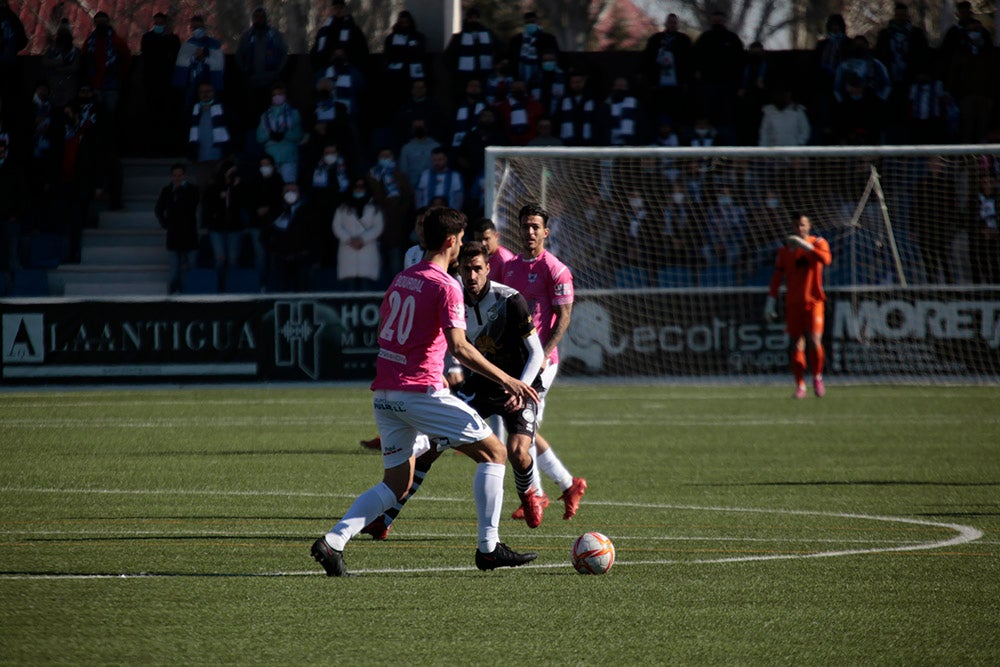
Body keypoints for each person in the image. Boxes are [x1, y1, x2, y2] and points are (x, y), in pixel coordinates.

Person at [311, 206, 540, 576]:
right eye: (462, 239)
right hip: (420, 393)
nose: (463, 245)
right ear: (451, 241)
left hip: (385, 394)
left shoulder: (404, 277)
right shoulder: (447, 285)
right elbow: (462, 348)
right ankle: (489, 547)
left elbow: (386, 327)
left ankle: (333, 541)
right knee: (494, 453)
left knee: (397, 483)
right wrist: (509, 379)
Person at [361, 242, 548, 539]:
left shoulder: (510, 300)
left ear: (488, 269)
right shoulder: (452, 293)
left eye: (477, 269)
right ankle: (385, 519)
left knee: (517, 452)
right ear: (457, 269)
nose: (471, 275)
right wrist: (444, 372)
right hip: (482, 383)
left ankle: (528, 495)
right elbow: (449, 342)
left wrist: (519, 387)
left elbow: (536, 353)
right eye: (466, 269)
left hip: (518, 384)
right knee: (431, 449)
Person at [501, 203, 587, 521]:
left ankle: (536, 496)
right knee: (526, 428)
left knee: (521, 431)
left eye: (536, 226)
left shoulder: (556, 269)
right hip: (516, 361)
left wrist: (543, 358)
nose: (530, 231)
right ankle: (568, 484)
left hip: (542, 363)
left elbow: (564, 317)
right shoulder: (510, 268)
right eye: (526, 226)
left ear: (546, 232)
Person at [764, 214, 832, 399]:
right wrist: (771, 299)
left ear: (809, 225)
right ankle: (800, 385)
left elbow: (826, 260)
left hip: (814, 301)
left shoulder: (818, 242)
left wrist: (806, 247)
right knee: (796, 343)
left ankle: (817, 378)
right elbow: (777, 276)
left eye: (802, 225)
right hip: (793, 303)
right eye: (796, 225)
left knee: (815, 340)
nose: (799, 228)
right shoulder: (785, 250)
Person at [155, 163, 201, 294]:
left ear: (184, 175)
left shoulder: (192, 190)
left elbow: (191, 205)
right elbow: (158, 209)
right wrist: (165, 223)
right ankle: (173, 293)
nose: (177, 178)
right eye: (175, 176)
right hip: (174, 234)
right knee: (174, 269)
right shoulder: (167, 190)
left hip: (189, 232)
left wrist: (179, 192)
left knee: (192, 265)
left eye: (179, 175)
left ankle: (191, 291)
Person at [332, 177, 384, 291]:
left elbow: (378, 227)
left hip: (367, 250)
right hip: (348, 250)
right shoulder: (342, 208)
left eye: (361, 187)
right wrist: (349, 240)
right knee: (349, 289)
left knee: (366, 287)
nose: (359, 189)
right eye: (356, 187)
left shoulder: (374, 208)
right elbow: (337, 226)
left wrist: (363, 239)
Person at [255, 82, 303, 184]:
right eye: (274, 95)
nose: (277, 97)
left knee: (289, 188)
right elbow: (259, 137)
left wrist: (285, 134)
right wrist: (270, 135)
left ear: (285, 95)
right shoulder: (265, 116)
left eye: (280, 94)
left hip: (289, 158)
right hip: (271, 159)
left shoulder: (294, 113)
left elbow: (298, 135)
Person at [471, 217, 515, 283]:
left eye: (486, 239)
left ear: (496, 236)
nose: (483, 243)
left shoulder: (505, 260)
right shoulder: (477, 257)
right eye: (478, 240)